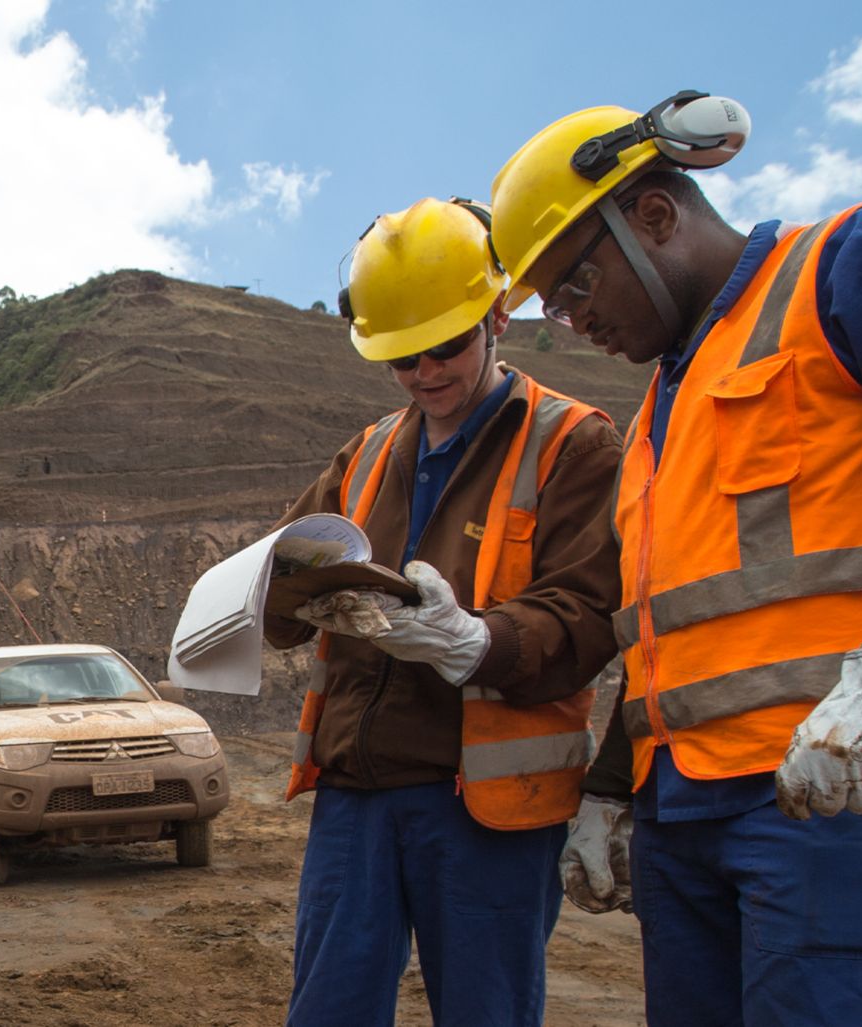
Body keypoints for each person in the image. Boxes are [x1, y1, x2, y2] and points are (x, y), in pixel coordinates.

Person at [487, 94, 862, 1026]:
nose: (572, 323)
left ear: (653, 215)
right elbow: (676, 627)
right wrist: (614, 787)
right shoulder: (659, 413)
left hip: (836, 797)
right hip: (686, 811)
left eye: (576, 286)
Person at [262, 197, 624, 1026]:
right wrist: (262, 605)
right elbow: (283, 570)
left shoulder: (573, 444)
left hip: (487, 806)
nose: (427, 372)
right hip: (356, 789)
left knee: (486, 1010)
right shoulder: (367, 452)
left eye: (448, 346)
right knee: (328, 1009)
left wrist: (476, 640)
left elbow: (590, 614)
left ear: (497, 315)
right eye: (402, 358)